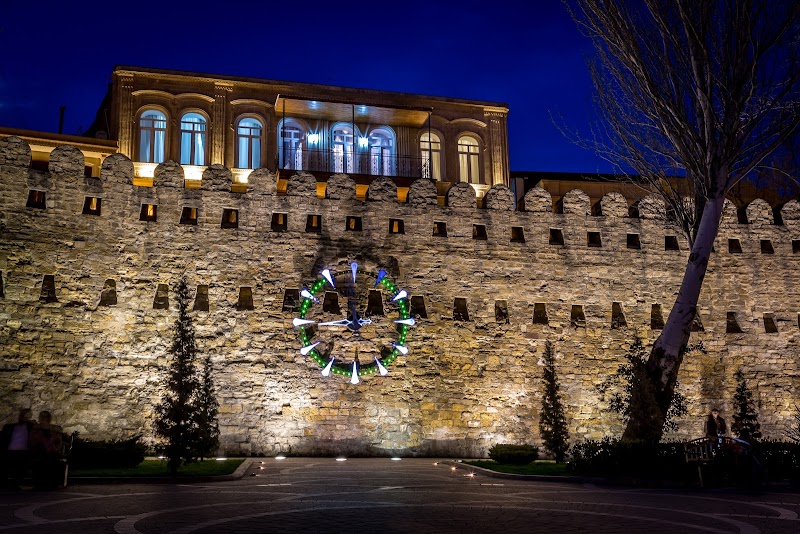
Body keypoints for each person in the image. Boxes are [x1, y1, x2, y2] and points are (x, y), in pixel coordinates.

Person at [29, 411, 64, 489]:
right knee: (40, 461)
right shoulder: (35, 428)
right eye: (42, 416)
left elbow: (59, 440)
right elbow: (32, 440)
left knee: (50, 461)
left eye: (45, 416)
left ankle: (51, 483)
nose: (43, 418)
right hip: (39, 451)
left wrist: (57, 449)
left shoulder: (55, 428)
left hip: (51, 451)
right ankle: (39, 483)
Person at [1, 409, 35, 488]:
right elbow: (4, 440)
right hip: (10, 451)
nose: (24, 418)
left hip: (23, 452)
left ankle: (16, 482)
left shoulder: (30, 426)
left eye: (27, 416)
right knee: (5, 458)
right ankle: (5, 482)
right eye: (23, 415)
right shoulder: (10, 427)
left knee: (22, 460)